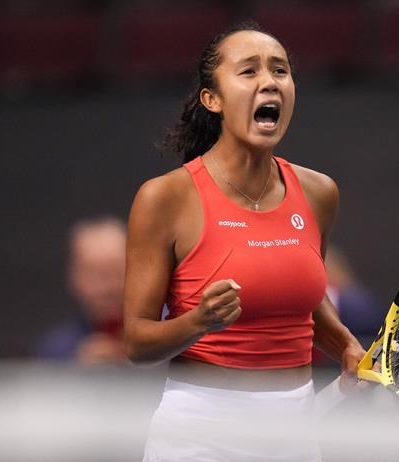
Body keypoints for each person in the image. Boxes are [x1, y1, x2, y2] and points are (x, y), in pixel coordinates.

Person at [123, 21, 367, 460]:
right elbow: (137, 343)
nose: (269, 82)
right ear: (212, 99)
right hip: (199, 435)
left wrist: (346, 344)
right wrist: (198, 322)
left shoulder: (319, 192)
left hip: (295, 430)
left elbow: (301, 299)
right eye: (249, 71)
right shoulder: (165, 198)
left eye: (280, 70)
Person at [35, 216, 127, 365]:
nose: (109, 288)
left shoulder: (166, 342)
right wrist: (77, 371)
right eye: (95, 274)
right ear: (73, 277)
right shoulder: (55, 352)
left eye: (118, 271)